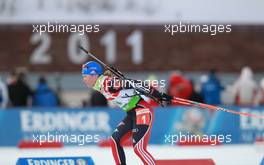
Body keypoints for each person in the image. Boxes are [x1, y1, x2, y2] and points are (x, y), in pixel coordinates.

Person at [82, 61, 171, 165]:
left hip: (141, 109)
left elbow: (134, 83)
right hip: (132, 113)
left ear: (94, 75)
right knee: (115, 140)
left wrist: (155, 93)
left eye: (85, 76)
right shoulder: (99, 85)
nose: (83, 79)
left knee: (139, 149)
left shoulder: (107, 83)